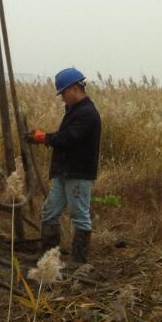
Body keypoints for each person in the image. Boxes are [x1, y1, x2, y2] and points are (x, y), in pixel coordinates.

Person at [25, 67, 102, 266]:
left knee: (80, 216)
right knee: (50, 212)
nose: (62, 98)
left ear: (75, 88)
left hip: (78, 173)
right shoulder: (75, 111)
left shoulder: (87, 113)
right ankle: (47, 258)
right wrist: (44, 138)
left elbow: (69, 139)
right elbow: (65, 138)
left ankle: (78, 261)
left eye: (63, 93)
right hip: (65, 172)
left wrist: (42, 138)